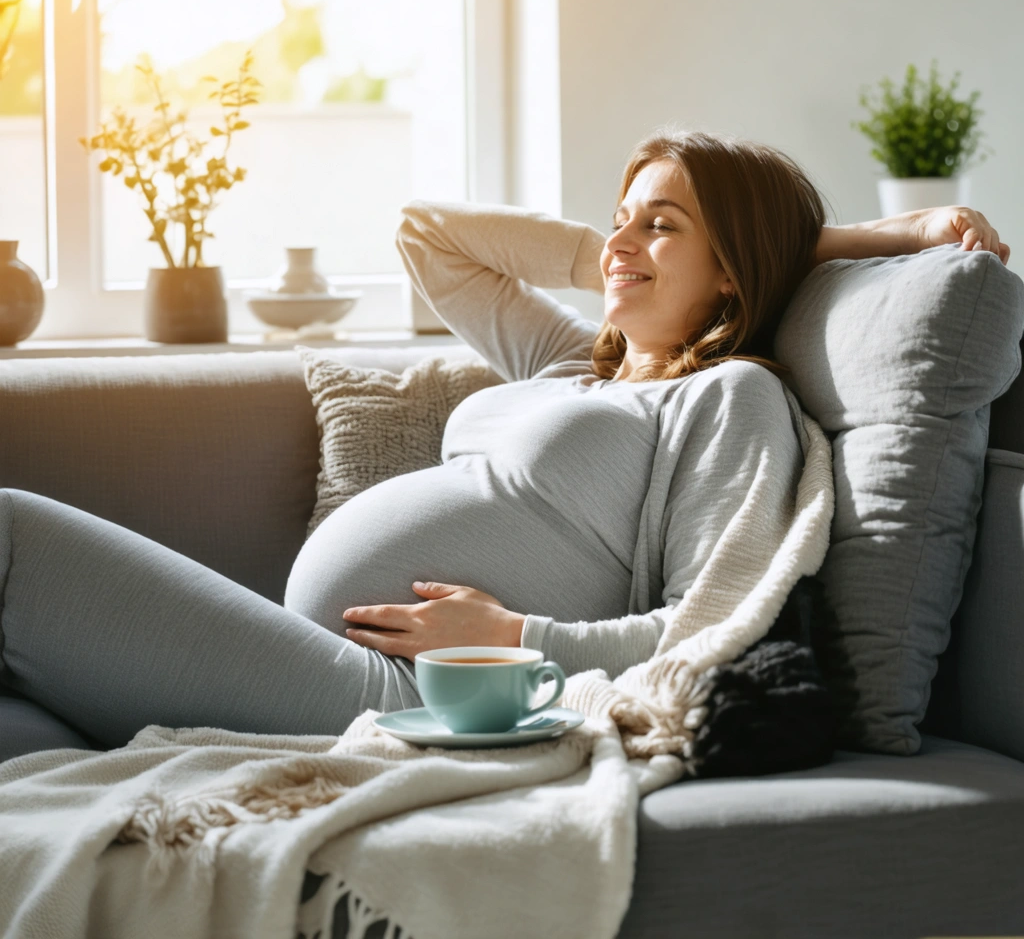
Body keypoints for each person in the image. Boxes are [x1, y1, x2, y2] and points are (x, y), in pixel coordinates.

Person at [0, 130, 1009, 756]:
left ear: (737, 271)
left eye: (659, 226)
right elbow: (425, 233)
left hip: (399, 694)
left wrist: (516, 639)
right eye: (620, 220)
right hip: (316, 656)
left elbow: (707, 631)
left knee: (10, 538)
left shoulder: (729, 398)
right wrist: (635, 246)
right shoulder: (580, 365)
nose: (617, 245)